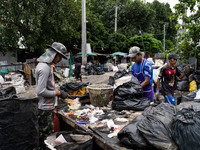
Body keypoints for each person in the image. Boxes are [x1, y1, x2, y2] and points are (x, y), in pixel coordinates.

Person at [35, 42, 70, 149]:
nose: (60, 59)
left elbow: (47, 86)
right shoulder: (44, 67)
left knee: (46, 136)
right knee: (46, 138)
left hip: (47, 106)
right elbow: (41, 91)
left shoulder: (48, 65)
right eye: (59, 56)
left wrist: (56, 90)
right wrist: (58, 93)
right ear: (53, 54)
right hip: (44, 109)